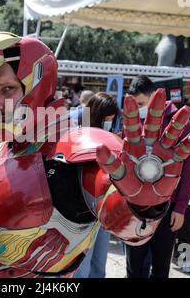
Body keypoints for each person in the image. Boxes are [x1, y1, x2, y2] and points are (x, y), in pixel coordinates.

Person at [0, 32, 190, 278]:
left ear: (37, 85)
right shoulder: (1, 143)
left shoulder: (78, 148)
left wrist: (141, 204)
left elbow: (123, 219)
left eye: (8, 89)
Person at [124, 75, 190, 278]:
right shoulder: (132, 120)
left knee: (161, 267)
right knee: (133, 267)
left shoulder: (178, 122)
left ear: (155, 98)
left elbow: (188, 168)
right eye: (135, 105)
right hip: (135, 207)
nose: (139, 109)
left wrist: (180, 207)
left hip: (166, 206)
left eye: (142, 104)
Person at [75, 92, 120, 278]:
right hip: (83, 211)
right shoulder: (80, 137)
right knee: (82, 267)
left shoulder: (114, 138)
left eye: (111, 118)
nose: (109, 122)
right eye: (105, 118)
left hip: (104, 210)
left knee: (99, 264)